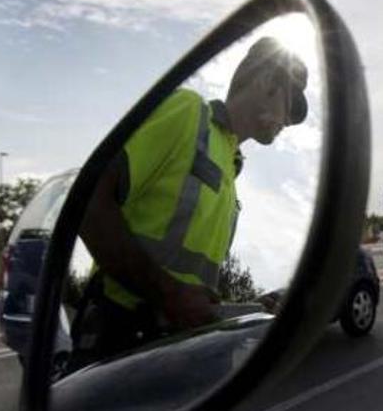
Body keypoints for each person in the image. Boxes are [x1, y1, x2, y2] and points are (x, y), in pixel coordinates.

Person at [72, 37, 308, 362]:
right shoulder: (189, 114)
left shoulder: (230, 167)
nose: (289, 121)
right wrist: (169, 296)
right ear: (268, 81)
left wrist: (243, 308)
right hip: (122, 337)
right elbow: (86, 202)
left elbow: (191, 283)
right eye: (291, 104)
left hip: (182, 347)